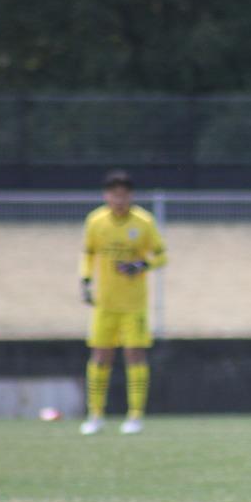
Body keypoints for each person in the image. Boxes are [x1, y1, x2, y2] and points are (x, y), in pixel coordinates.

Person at [79, 170, 167, 435]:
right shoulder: (95, 221)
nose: (118, 200)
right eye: (113, 194)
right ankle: (95, 415)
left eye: (123, 194)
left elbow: (161, 256)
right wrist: (85, 281)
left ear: (130, 195)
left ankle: (135, 415)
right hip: (105, 303)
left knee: (134, 356)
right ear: (106, 195)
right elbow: (87, 254)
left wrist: (141, 264)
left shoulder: (143, 222)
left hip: (134, 304)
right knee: (100, 356)